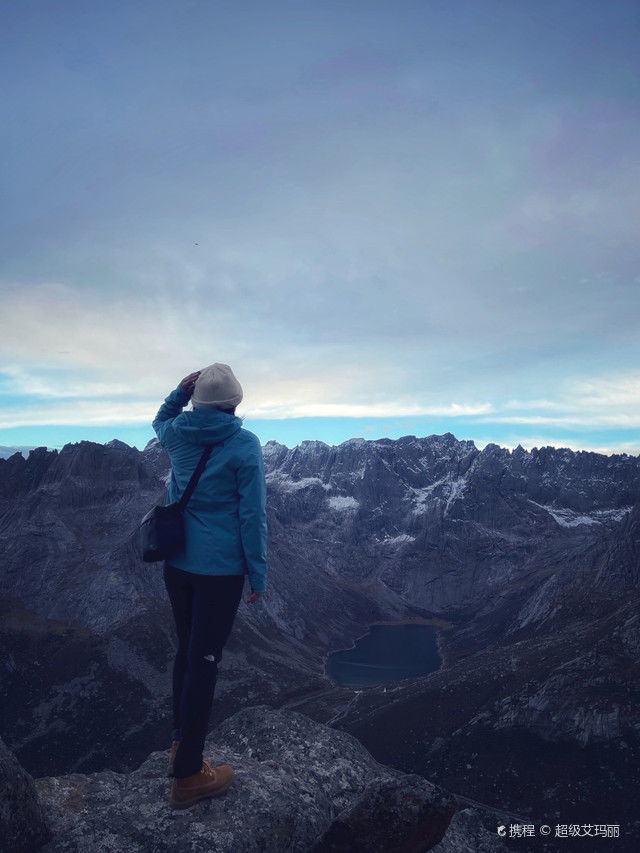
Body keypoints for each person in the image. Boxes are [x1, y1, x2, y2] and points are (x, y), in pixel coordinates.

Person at [151, 362, 268, 809]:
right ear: (236, 403)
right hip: (220, 574)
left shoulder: (178, 433)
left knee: (187, 652)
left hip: (178, 565)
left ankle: (181, 744)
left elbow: (159, 421)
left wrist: (178, 392)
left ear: (197, 400)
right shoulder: (244, 445)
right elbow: (252, 516)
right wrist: (257, 575)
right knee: (205, 662)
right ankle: (187, 777)